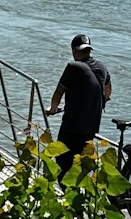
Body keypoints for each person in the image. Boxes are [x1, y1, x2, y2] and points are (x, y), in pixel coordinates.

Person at [45, 33, 113, 171]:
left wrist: (52, 109)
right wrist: (103, 100)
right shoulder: (102, 67)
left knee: (62, 161)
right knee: (81, 163)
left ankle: (67, 191)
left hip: (72, 126)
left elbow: (58, 93)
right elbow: (108, 89)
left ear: (74, 50)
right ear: (89, 50)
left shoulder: (73, 67)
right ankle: (80, 190)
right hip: (92, 126)